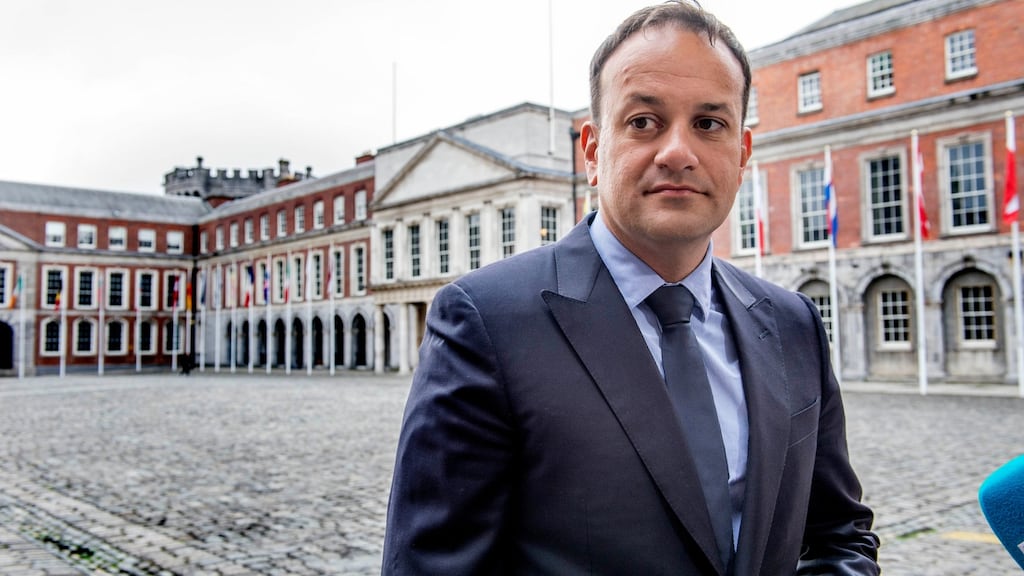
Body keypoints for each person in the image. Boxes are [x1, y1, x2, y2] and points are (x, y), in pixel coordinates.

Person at [382, 2, 880, 574]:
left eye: (708, 124)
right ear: (593, 152)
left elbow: (839, 535)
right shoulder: (487, 320)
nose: (677, 151)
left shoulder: (793, 323)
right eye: (644, 121)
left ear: (742, 154)